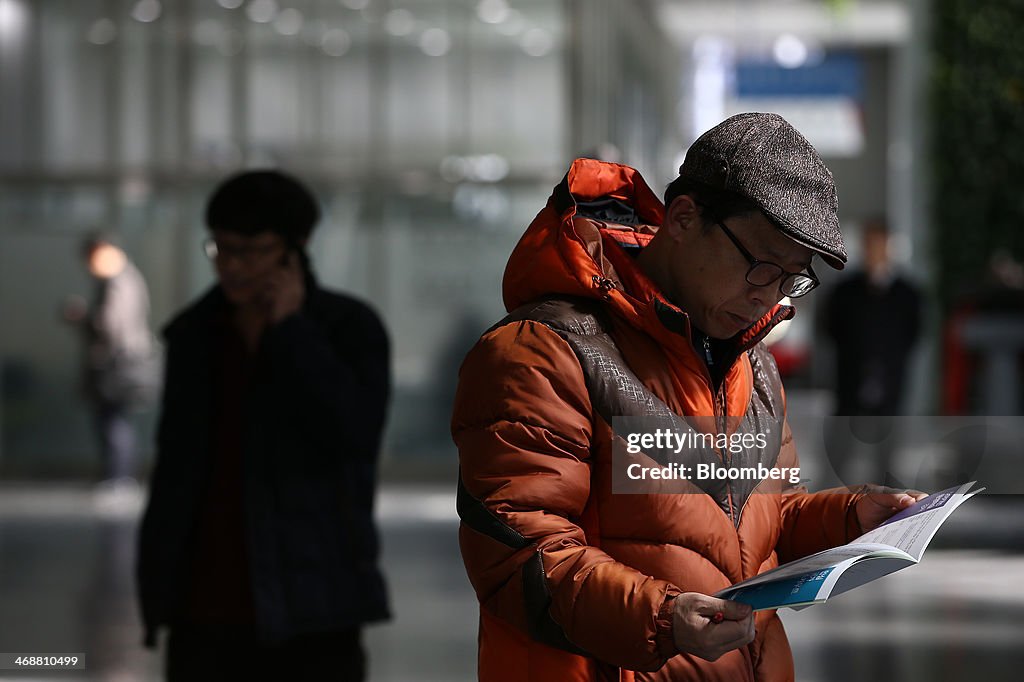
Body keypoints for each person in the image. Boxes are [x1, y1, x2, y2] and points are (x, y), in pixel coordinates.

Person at [452, 113, 925, 680]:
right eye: (760, 266)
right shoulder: (544, 352)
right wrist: (662, 617)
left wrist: (852, 516)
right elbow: (516, 553)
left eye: (791, 279)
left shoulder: (754, 368)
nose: (769, 297)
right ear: (683, 218)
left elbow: (748, 525)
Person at [136, 170, 390, 681]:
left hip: (314, 600)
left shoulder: (346, 328)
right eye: (220, 249)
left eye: (249, 250)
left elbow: (354, 435)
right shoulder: (195, 333)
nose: (230, 266)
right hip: (201, 604)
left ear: (295, 247)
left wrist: (292, 333)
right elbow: (175, 466)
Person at [64, 232, 158, 495]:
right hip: (120, 363)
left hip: (117, 365)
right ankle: (118, 477)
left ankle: (119, 478)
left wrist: (83, 319)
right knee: (114, 423)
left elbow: (110, 325)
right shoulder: (121, 278)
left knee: (113, 423)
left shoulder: (119, 281)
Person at [824, 218, 922, 416]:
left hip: (890, 375)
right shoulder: (844, 291)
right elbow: (832, 326)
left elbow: (914, 331)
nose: (873, 251)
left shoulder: (907, 294)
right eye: (869, 244)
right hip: (850, 375)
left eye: (878, 243)